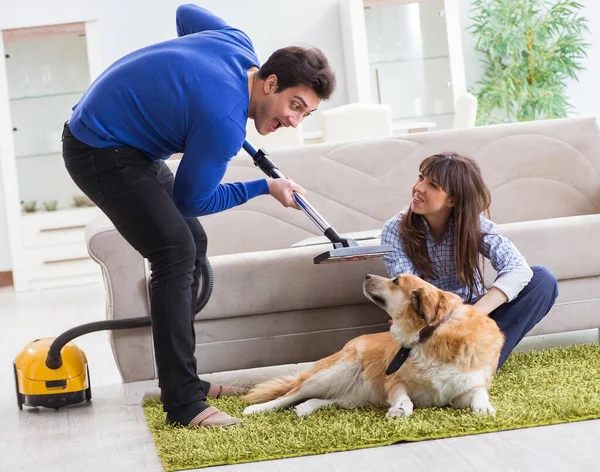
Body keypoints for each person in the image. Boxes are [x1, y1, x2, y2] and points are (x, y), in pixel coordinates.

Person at [61, 4, 336, 428]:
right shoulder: (223, 122)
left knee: (193, 244)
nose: (294, 121)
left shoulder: (237, 46)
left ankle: (186, 380)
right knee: (174, 250)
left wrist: (174, 87)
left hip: (132, 143)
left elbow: (186, 12)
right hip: (97, 147)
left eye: (306, 114)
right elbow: (193, 202)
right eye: (294, 105)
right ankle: (183, 404)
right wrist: (262, 186)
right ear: (271, 81)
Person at [381, 152, 558, 368]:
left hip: (472, 314)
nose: (419, 188)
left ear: (453, 200)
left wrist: (470, 316)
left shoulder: (472, 225)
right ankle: (464, 364)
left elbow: (518, 269)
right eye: (420, 178)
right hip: (430, 320)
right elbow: (409, 291)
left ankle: (481, 363)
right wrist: (442, 321)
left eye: (433, 185)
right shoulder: (395, 229)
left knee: (543, 279)